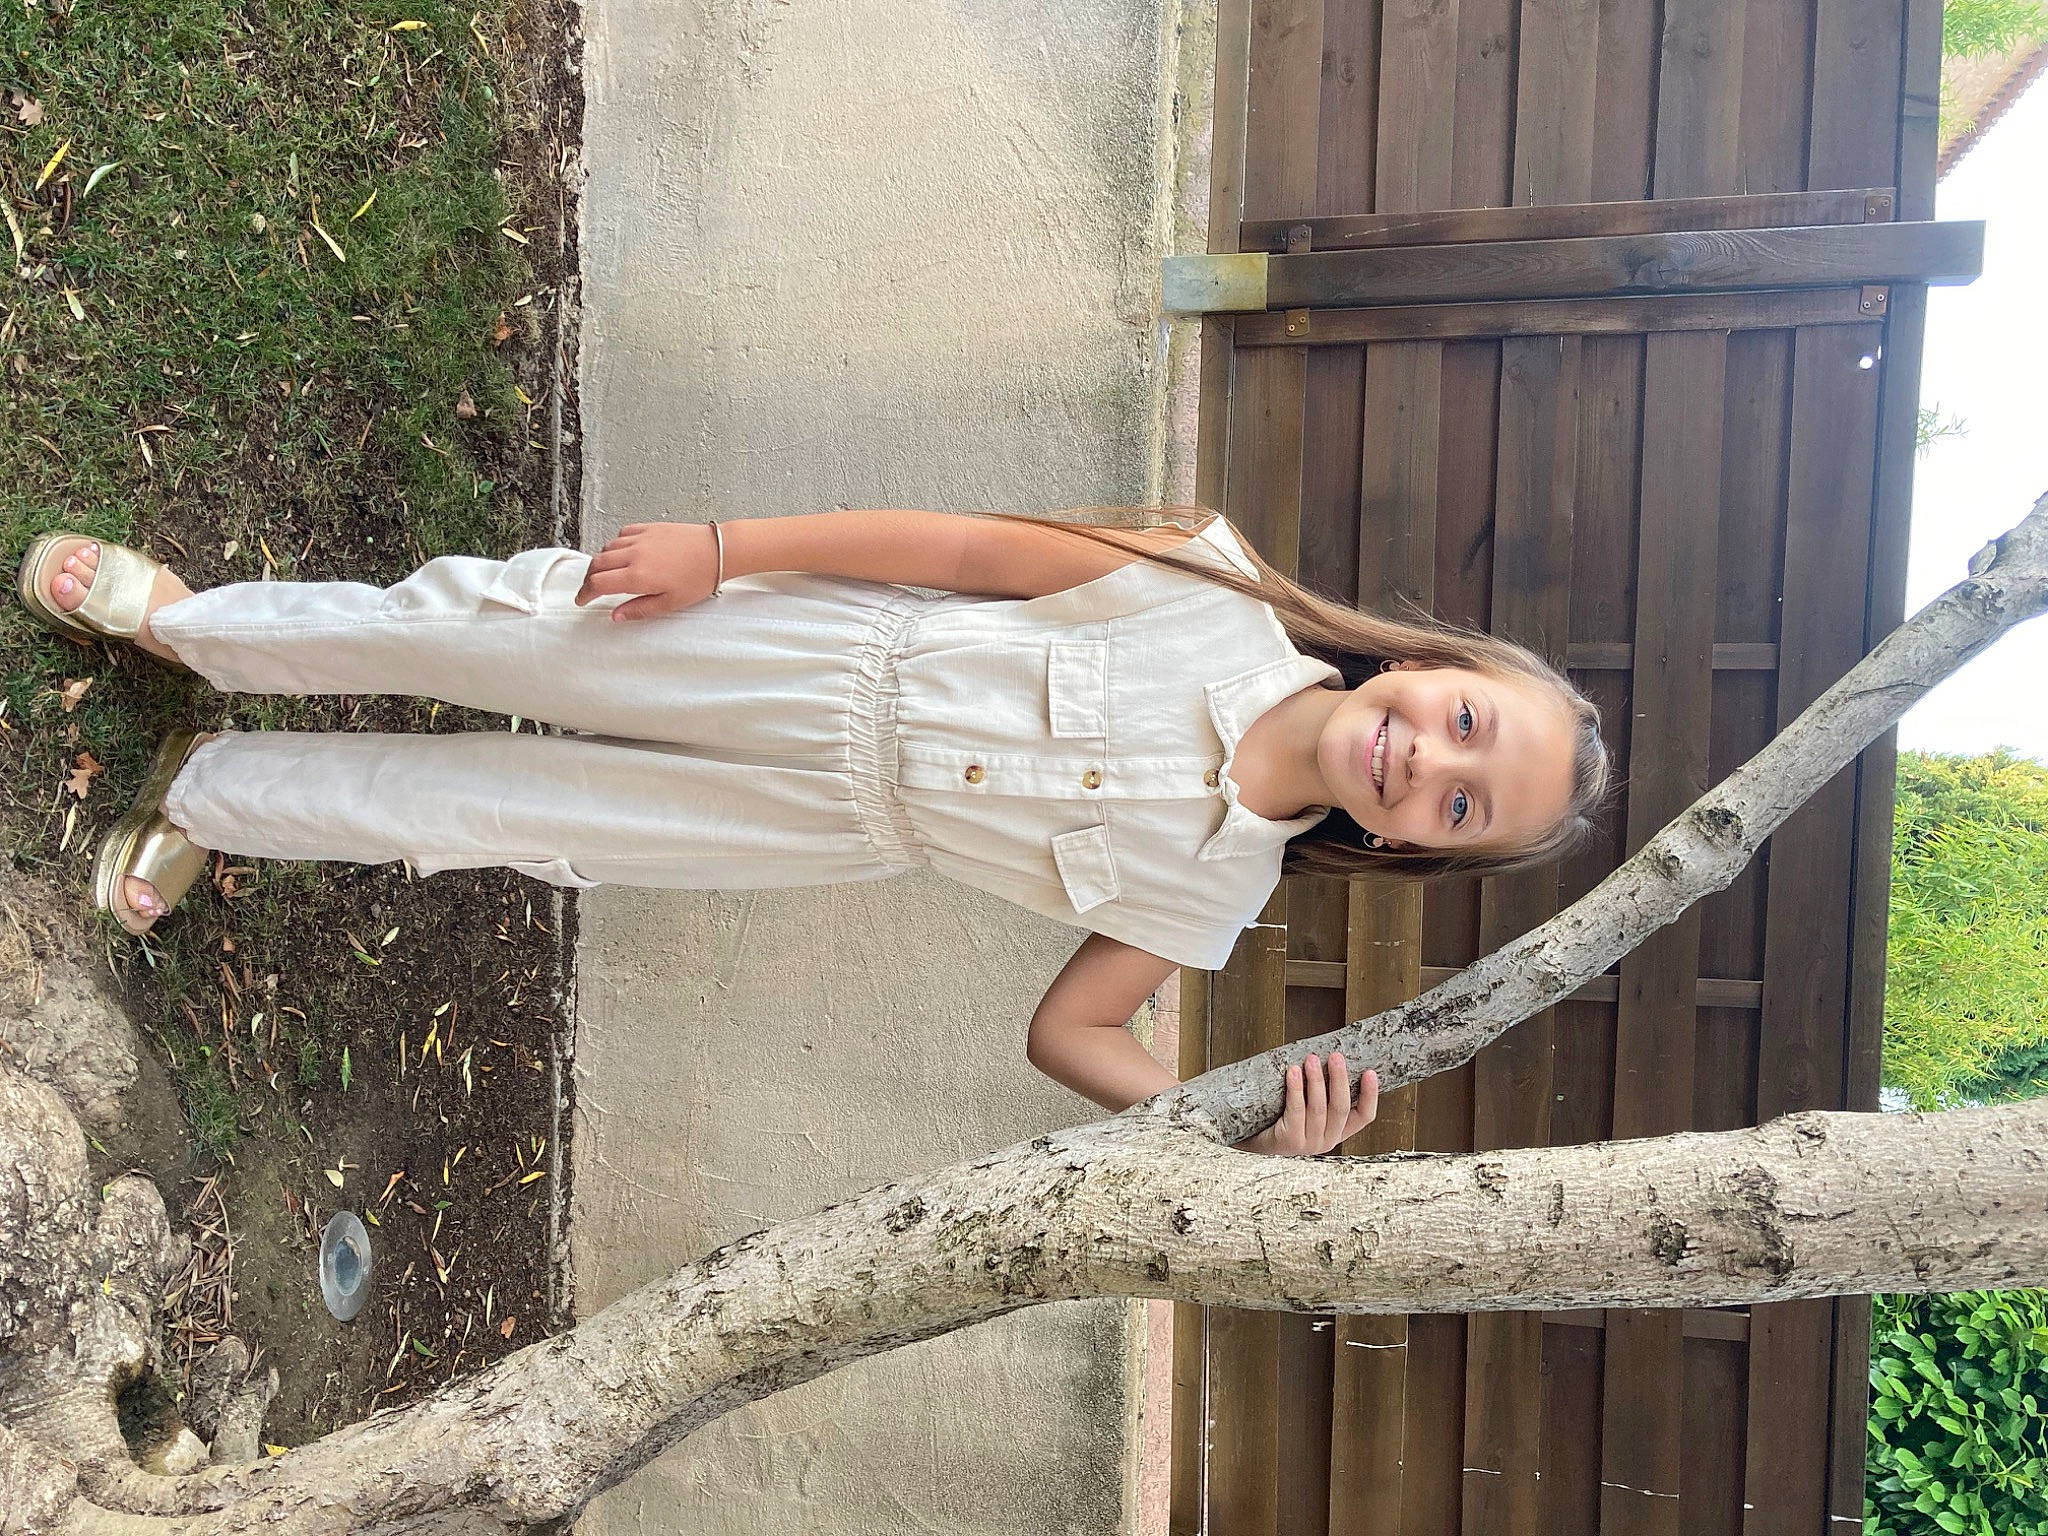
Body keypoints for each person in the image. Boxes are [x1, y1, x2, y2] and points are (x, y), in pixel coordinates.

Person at [15, 509, 1606, 1155]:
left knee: (509, 813)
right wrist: (727, 548)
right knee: (490, 632)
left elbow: (1069, 1034)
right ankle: (194, 630)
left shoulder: (1216, 891)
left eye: (1462, 807)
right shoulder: (1209, 581)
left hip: (817, 821)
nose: (1428, 762)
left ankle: (214, 794)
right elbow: (965, 547)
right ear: (1431, 663)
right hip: (804, 645)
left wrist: (1243, 1137)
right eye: (1466, 722)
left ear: (1423, 851)